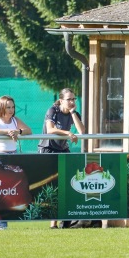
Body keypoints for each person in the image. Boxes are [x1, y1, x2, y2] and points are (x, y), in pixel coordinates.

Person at [38, 88, 85, 229]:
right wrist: (68, 133)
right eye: (69, 99)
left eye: (74, 99)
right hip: (48, 149)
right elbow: (50, 129)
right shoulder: (53, 110)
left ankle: (65, 219)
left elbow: (82, 131)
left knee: (67, 184)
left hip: (63, 149)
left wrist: (72, 112)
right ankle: (53, 223)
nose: (72, 102)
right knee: (52, 186)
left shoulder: (74, 113)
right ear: (61, 100)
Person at [0, 95, 32, 230]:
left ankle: (9, 217)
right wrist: (8, 131)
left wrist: (18, 131)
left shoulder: (15, 120)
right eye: (8, 107)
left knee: (12, 191)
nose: (11, 110)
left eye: (12, 107)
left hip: (13, 157)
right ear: (1, 107)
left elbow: (29, 130)